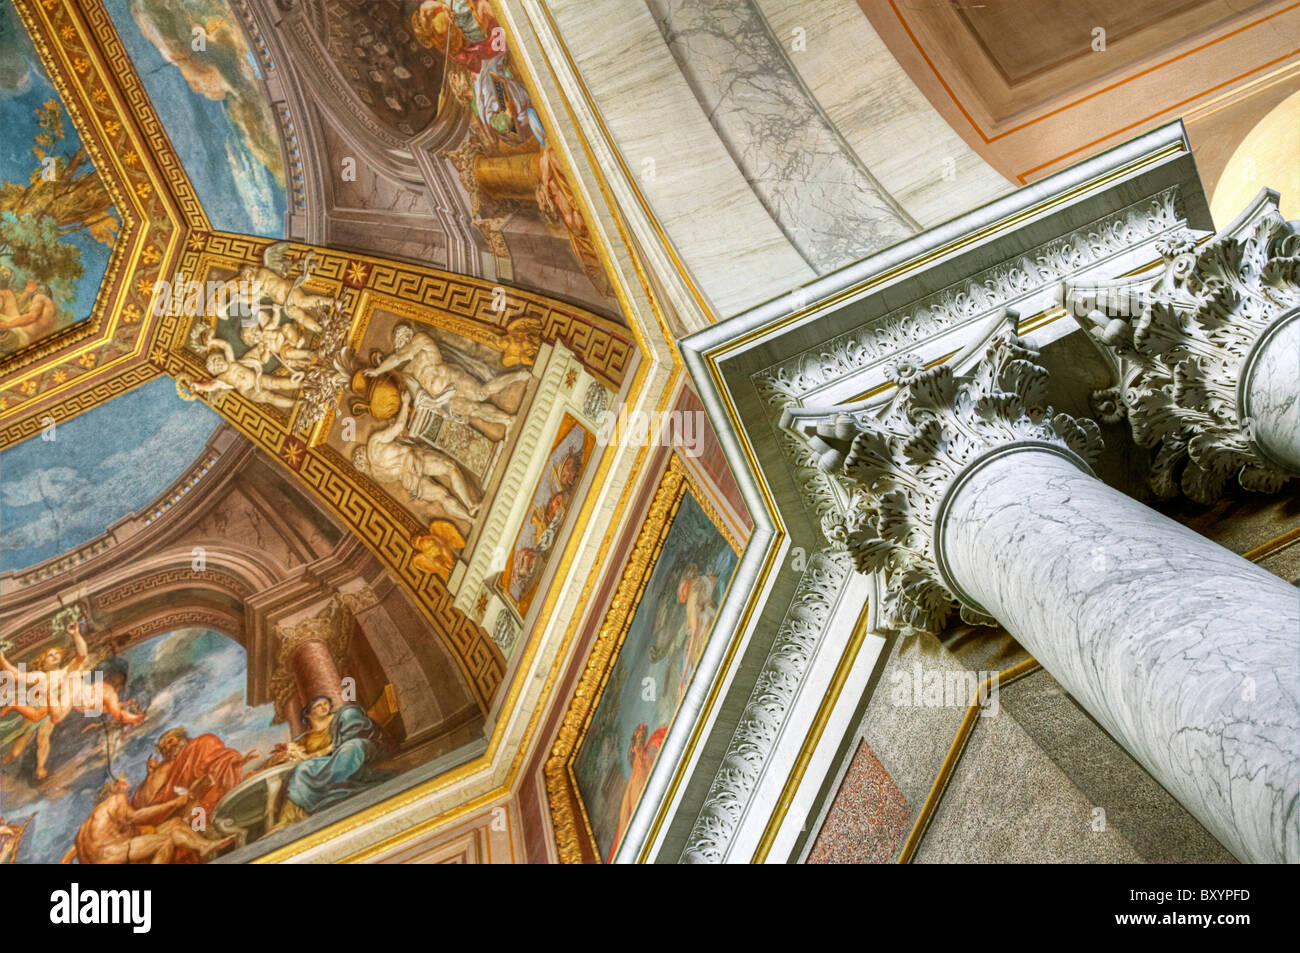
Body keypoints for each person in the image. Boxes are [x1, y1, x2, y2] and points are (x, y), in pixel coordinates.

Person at [0, 617, 146, 781]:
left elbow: (82, 655)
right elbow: (16, 674)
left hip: (52, 708)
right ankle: (5, 761)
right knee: (17, 749)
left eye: (56, 653)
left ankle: (39, 767)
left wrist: (76, 634)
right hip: (41, 706)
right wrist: (2, 658)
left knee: (43, 738)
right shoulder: (39, 676)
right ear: (42, 661)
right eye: (50, 655)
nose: (54, 655)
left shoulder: (65, 673)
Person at [364, 322, 530, 431]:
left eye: (404, 337)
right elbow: (420, 396)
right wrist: (439, 405)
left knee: (481, 393)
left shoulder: (421, 341)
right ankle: (508, 420)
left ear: (409, 335)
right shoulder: (406, 373)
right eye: (399, 341)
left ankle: (519, 375)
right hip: (445, 399)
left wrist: (378, 371)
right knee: (474, 410)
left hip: (451, 378)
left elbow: (398, 358)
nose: (403, 341)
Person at [352, 389, 479, 521]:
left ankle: (471, 520)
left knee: (442, 496)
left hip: (410, 481)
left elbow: (396, 473)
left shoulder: (377, 473)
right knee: (450, 467)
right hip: (414, 459)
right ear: (362, 450)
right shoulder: (374, 443)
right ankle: (470, 505)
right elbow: (399, 426)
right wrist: (405, 402)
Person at [271, 697, 389, 829]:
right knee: (302, 769)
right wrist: (288, 752)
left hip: (344, 752)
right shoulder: (304, 738)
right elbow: (297, 756)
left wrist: (322, 751)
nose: (324, 707)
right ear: (308, 714)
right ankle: (292, 817)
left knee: (351, 747)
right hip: (324, 762)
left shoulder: (341, 717)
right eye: (318, 705)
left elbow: (350, 736)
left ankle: (337, 786)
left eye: (325, 703)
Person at [61, 775, 234, 864]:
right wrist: (173, 803)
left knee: (175, 824)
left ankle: (204, 846)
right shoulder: (116, 799)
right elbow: (138, 816)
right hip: (111, 855)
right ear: (115, 788)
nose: (127, 785)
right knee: (165, 843)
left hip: (108, 854)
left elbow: (64, 861)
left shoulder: (90, 824)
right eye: (123, 783)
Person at [608, 722, 667, 862]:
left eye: (641, 736)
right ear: (633, 750)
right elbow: (624, 830)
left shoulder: (654, 745)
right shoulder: (630, 790)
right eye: (636, 741)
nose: (638, 749)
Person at [191, 348, 301, 410]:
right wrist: (198, 386)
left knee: (276, 382)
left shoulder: (231, 361)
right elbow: (210, 386)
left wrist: (212, 341)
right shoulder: (222, 378)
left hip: (256, 378)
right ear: (215, 373)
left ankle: (303, 385)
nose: (219, 365)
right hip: (248, 390)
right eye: (216, 367)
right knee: (269, 397)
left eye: (218, 361)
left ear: (222, 358)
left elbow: (226, 345)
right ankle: (296, 404)